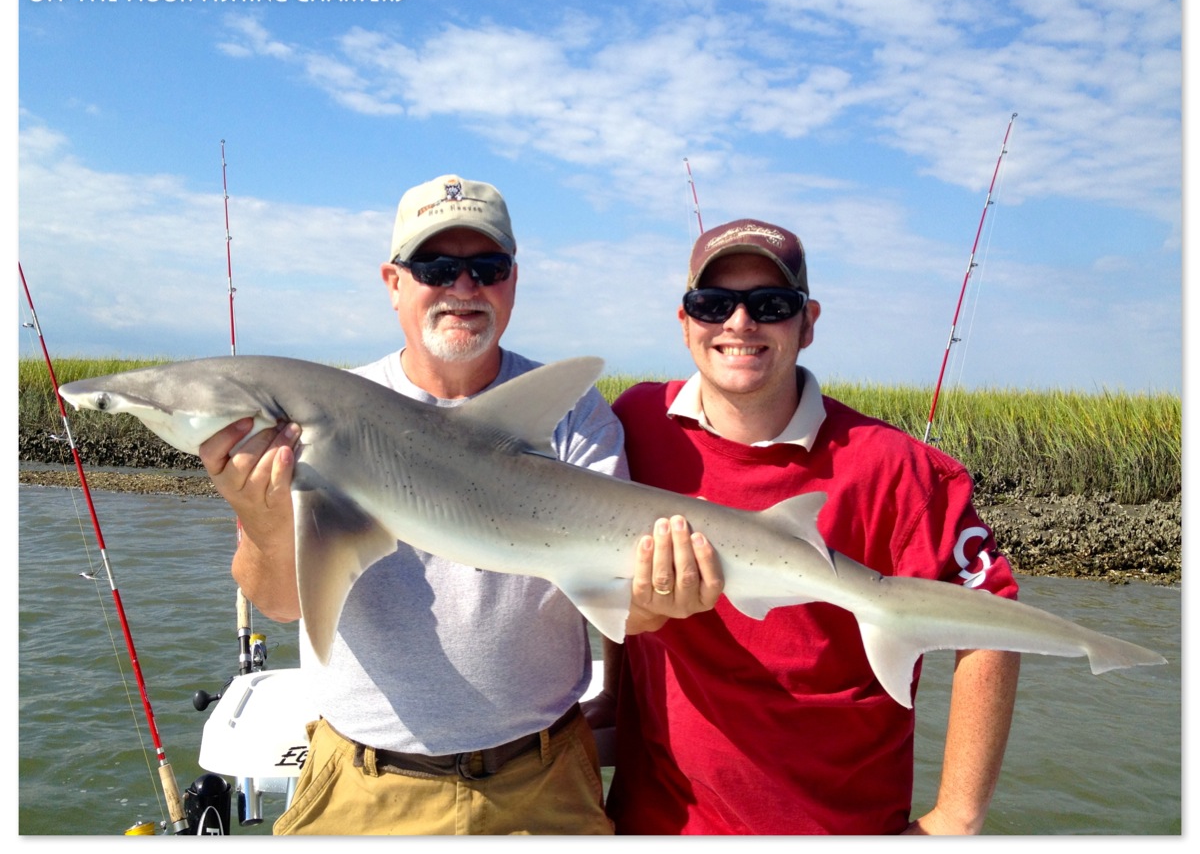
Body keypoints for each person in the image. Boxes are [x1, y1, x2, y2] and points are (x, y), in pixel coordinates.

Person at [197, 174, 706, 835]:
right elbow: (282, 602)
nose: (464, 287)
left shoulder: (575, 413)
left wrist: (661, 602)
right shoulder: (313, 414)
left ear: (512, 281)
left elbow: (620, 600)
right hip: (362, 786)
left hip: (541, 784)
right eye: (437, 266)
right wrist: (263, 518)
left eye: (486, 267)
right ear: (394, 282)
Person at [598, 218, 1022, 835]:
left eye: (769, 305)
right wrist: (612, 698)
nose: (739, 324)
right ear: (685, 321)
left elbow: (994, 620)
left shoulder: (897, 467)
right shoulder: (635, 421)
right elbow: (606, 561)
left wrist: (956, 819)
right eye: (713, 304)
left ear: (808, 321)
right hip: (657, 822)